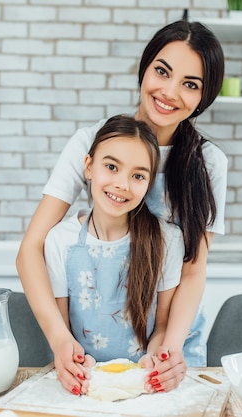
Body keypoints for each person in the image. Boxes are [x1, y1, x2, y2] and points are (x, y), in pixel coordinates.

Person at [16, 19, 227, 394]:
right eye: (162, 71)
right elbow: (31, 249)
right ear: (144, 68)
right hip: (93, 351)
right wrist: (60, 339)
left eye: (190, 84)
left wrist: (168, 347)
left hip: (173, 344)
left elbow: (193, 270)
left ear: (203, 98)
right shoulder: (93, 141)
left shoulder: (208, 163)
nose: (170, 92)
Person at [44, 115, 184, 395]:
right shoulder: (60, 241)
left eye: (138, 176)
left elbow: (163, 326)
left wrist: (156, 360)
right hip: (83, 383)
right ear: (88, 167)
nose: (122, 184)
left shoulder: (168, 239)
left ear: (148, 184)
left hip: (143, 384)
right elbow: (64, 331)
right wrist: (78, 365)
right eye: (111, 167)